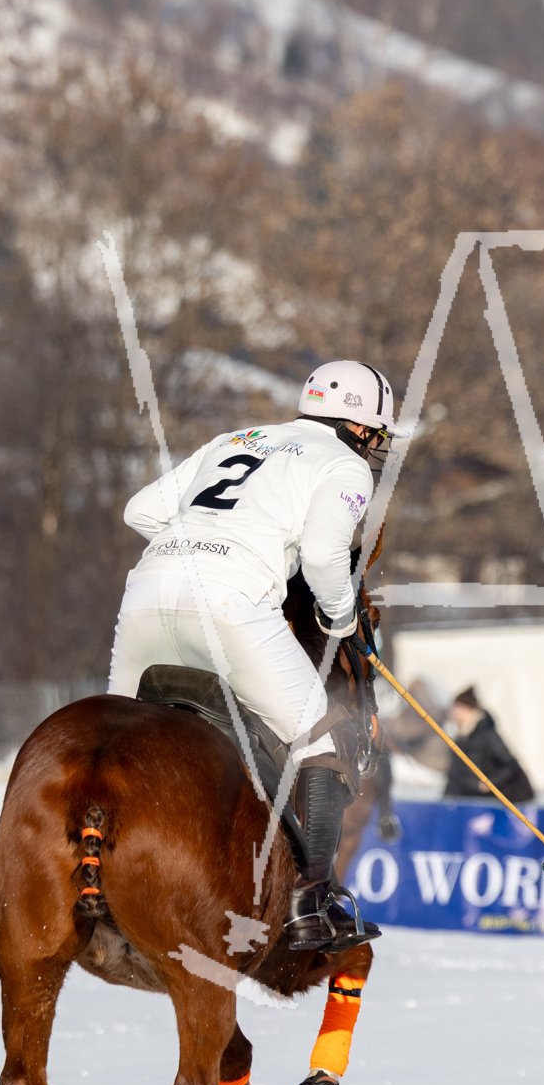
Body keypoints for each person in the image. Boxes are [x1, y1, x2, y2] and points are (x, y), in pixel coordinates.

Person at [109, 360, 394, 954]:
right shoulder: (343, 465)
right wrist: (339, 619)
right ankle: (311, 903)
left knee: (116, 747)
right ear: (363, 427)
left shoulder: (235, 440)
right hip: (230, 607)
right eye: (377, 435)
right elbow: (322, 557)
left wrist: (204, 537)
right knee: (322, 737)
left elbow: (139, 511)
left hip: (144, 597)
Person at [442, 687, 535, 804]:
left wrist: (489, 783)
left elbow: (511, 765)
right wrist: (445, 802)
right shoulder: (460, 738)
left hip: (508, 800)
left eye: (459, 708)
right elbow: (456, 775)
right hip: (474, 800)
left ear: (470, 709)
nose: (455, 713)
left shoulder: (487, 734)